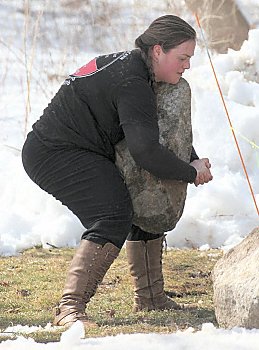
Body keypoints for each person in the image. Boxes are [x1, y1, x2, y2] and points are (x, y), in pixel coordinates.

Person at [21, 14, 213, 328]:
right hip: (53, 153)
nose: (187, 65)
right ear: (157, 51)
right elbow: (147, 152)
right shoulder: (133, 81)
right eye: (182, 57)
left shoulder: (135, 69)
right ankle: (69, 310)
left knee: (143, 196)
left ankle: (150, 298)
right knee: (112, 213)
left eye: (189, 58)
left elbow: (150, 134)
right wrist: (190, 173)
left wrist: (190, 159)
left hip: (85, 148)